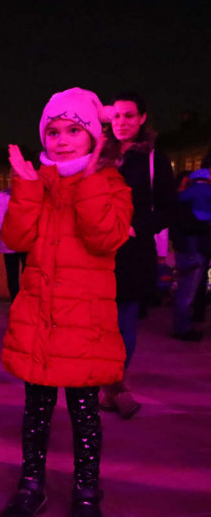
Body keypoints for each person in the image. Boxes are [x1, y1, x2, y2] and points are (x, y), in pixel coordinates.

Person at [0, 87, 132, 517]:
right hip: (41, 317)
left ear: (93, 136)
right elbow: (16, 238)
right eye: (53, 131)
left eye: (73, 130)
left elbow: (105, 238)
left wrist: (90, 179)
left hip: (84, 322)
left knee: (84, 414)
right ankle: (31, 484)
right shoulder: (39, 181)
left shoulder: (112, 184)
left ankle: (87, 492)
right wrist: (26, 187)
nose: (61, 140)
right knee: (35, 411)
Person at [105, 92, 176, 419]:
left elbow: (167, 208)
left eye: (129, 115)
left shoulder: (153, 159)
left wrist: (135, 229)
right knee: (95, 323)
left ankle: (116, 385)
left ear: (143, 118)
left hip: (132, 252)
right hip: (96, 251)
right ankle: (103, 385)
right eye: (116, 116)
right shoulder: (98, 153)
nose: (121, 122)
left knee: (124, 323)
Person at [171, 168, 211, 341]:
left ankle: (182, 325)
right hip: (198, 249)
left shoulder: (183, 195)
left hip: (183, 248)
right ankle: (183, 328)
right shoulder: (208, 194)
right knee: (188, 291)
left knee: (184, 288)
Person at [0, 172, 26, 301]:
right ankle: (15, 300)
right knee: (12, 274)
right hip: (10, 241)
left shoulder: (28, 193)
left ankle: (26, 300)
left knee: (28, 272)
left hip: (26, 240)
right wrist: (10, 232)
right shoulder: (2, 195)